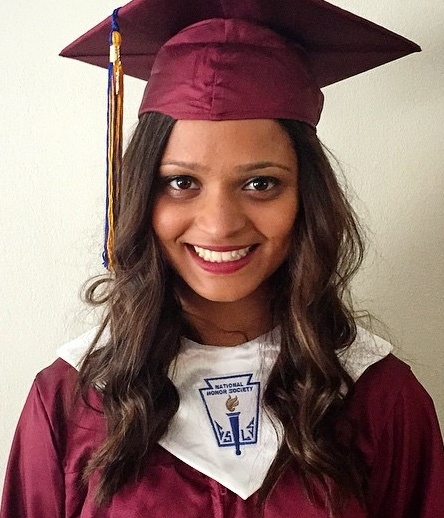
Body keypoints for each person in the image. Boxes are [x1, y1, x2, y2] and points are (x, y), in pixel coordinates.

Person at [1, 1, 443, 517]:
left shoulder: (379, 397)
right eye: (181, 182)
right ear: (142, 195)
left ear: (308, 198)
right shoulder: (72, 401)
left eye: (261, 183)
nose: (219, 224)